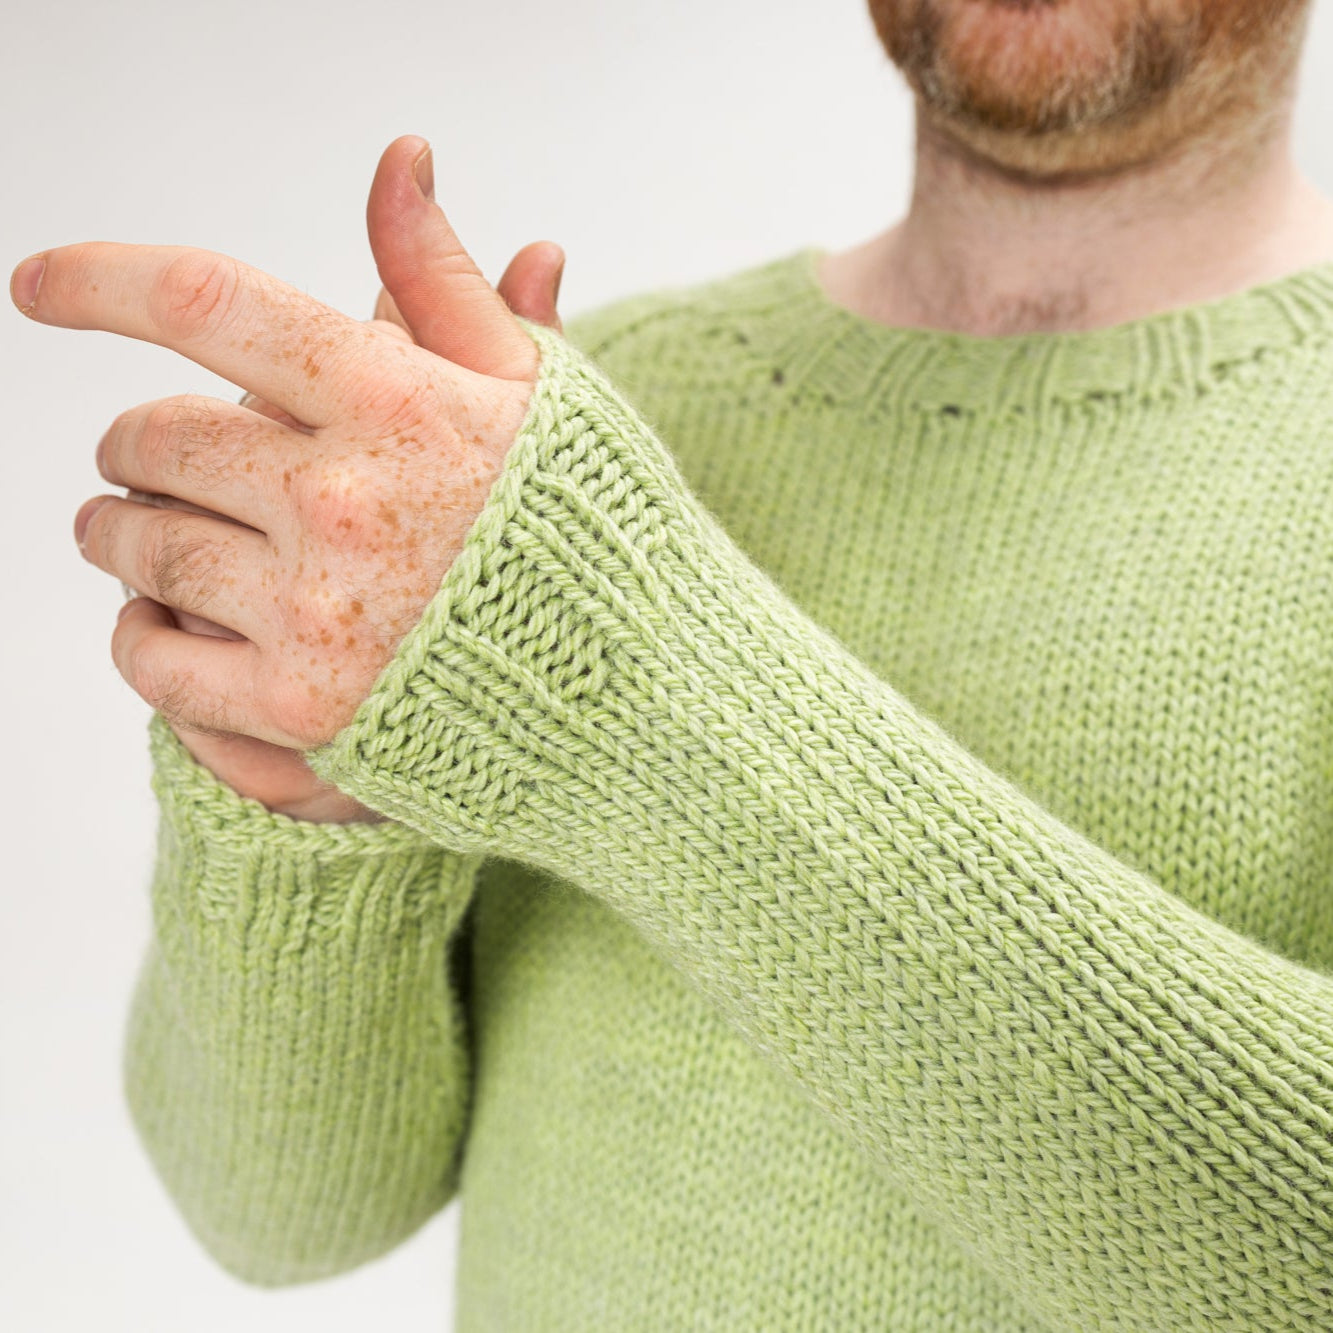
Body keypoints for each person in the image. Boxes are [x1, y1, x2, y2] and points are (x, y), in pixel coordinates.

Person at [14, 0, 1333, 1325]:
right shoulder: (563, 417)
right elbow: (277, 1214)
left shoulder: (553, 497)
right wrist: (296, 801)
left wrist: (590, 658)